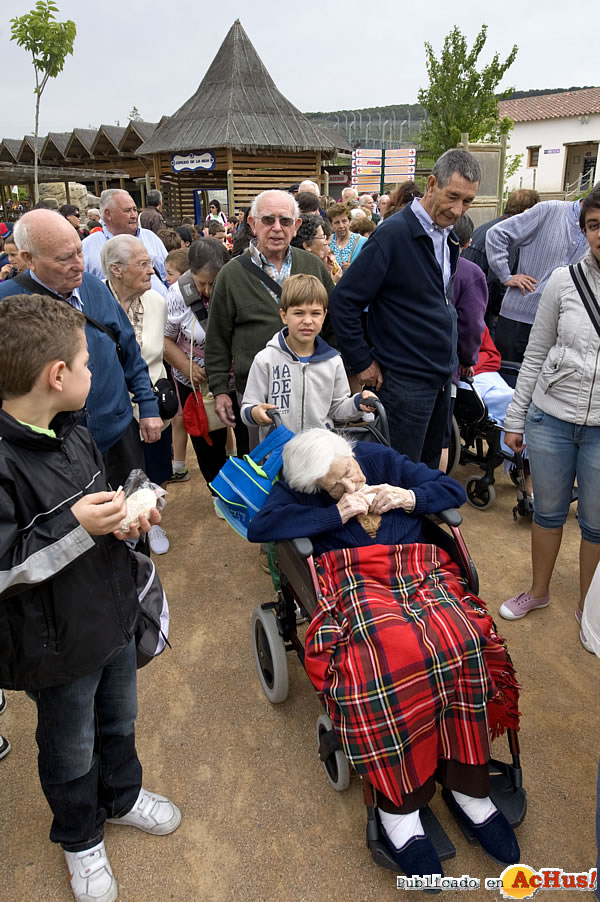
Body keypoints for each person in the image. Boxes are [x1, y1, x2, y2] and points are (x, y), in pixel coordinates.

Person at [248, 429, 520, 877]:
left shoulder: (377, 458)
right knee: (391, 660)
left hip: (417, 568)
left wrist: (408, 498)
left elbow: (450, 491)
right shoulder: (303, 484)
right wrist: (334, 513)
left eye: (349, 474)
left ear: (352, 454)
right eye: (335, 486)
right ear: (315, 486)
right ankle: (400, 808)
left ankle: (467, 785)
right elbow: (262, 527)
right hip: (356, 583)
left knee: (465, 641)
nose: (350, 486)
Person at [0, 293, 180, 902]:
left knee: (119, 720)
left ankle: (122, 796)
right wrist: (79, 526)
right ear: (56, 376)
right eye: (85, 361)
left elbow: (97, 511)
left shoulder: (72, 431)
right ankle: (80, 839)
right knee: (69, 744)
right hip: (55, 647)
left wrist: (125, 517)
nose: (92, 371)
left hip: (111, 617)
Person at [330, 149, 481, 468]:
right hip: (403, 384)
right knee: (396, 474)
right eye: (452, 196)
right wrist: (362, 361)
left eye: (467, 202)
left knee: (424, 471)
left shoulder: (447, 237)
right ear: (431, 184)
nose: (457, 209)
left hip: (439, 379)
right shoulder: (393, 234)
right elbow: (344, 300)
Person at [500, 185, 600, 643]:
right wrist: (516, 418)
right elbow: (537, 354)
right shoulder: (563, 280)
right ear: (584, 231)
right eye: (594, 225)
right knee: (547, 513)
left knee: (596, 525)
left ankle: (588, 608)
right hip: (552, 418)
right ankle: (538, 591)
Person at [0, 210, 162, 490]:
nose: (78, 265)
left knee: (135, 504)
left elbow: (128, 350)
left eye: (79, 252)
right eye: (64, 258)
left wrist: (147, 405)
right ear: (28, 259)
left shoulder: (94, 289)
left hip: (117, 433)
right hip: (52, 450)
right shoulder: (8, 305)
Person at [204, 189, 335, 445]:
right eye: (268, 220)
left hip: (311, 388)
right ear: (252, 223)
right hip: (256, 393)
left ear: (296, 226)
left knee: (312, 460)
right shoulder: (231, 275)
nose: (277, 228)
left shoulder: (313, 266)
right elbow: (217, 337)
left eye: (285, 221)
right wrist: (220, 390)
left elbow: (332, 326)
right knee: (262, 466)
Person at [100, 234, 171, 555]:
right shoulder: (93, 301)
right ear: (116, 269)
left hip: (153, 401)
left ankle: (153, 523)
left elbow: (162, 349)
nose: (152, 270)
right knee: (116, 474)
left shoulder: (157, 301)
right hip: (112, 408)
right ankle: (120, 527)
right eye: (142, 264)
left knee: (156, 467)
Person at [241, 273, 376, 439]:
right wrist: (255, 413)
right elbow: (247, 407)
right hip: (279, 455)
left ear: (325, 315)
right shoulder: (266, 360)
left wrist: (357, 403)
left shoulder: (333, 361)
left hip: (319, 453)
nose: (307, 320)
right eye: (298, 313)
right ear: (284, 315)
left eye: (315, 313)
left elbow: (337, 408)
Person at [163, 239, 232, 500]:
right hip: (196, 381)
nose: (207, 289)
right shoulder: (177, 294)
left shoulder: (235, 284)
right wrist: (186, 365)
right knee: (207, 439)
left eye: (214, 283)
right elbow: (165, 340)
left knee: (242, 433)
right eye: (201, 282)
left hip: (233, 377)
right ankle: (219, 494)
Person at [486, 197, 588, 367]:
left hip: (560, 327)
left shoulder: (593, 232)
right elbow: (496, 234)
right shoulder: (549, 210)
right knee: (510, 383)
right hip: (519, 320)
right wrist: (506, 276)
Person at [462, 189, 540, 337]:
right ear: (527, 212)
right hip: (483, 313)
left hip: (467, 304)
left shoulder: (489, 227)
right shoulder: (508, 236)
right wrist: (500, 313)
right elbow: (499, 281)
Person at [82, 189, 168, 298]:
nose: (134, 215)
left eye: (135, 209)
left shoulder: (150, 237)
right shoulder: (88, 247)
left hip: (160, 312)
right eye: (127, 211)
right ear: (108, 214)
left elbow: (169, 277)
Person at [327, 203, 367, 271]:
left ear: (350, 222)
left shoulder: (362, 242)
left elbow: (370, 266)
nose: (341, 226)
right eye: (337, 222)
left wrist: (355, 268)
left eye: (344, 221)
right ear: (331, 225)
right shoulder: (328, 242)